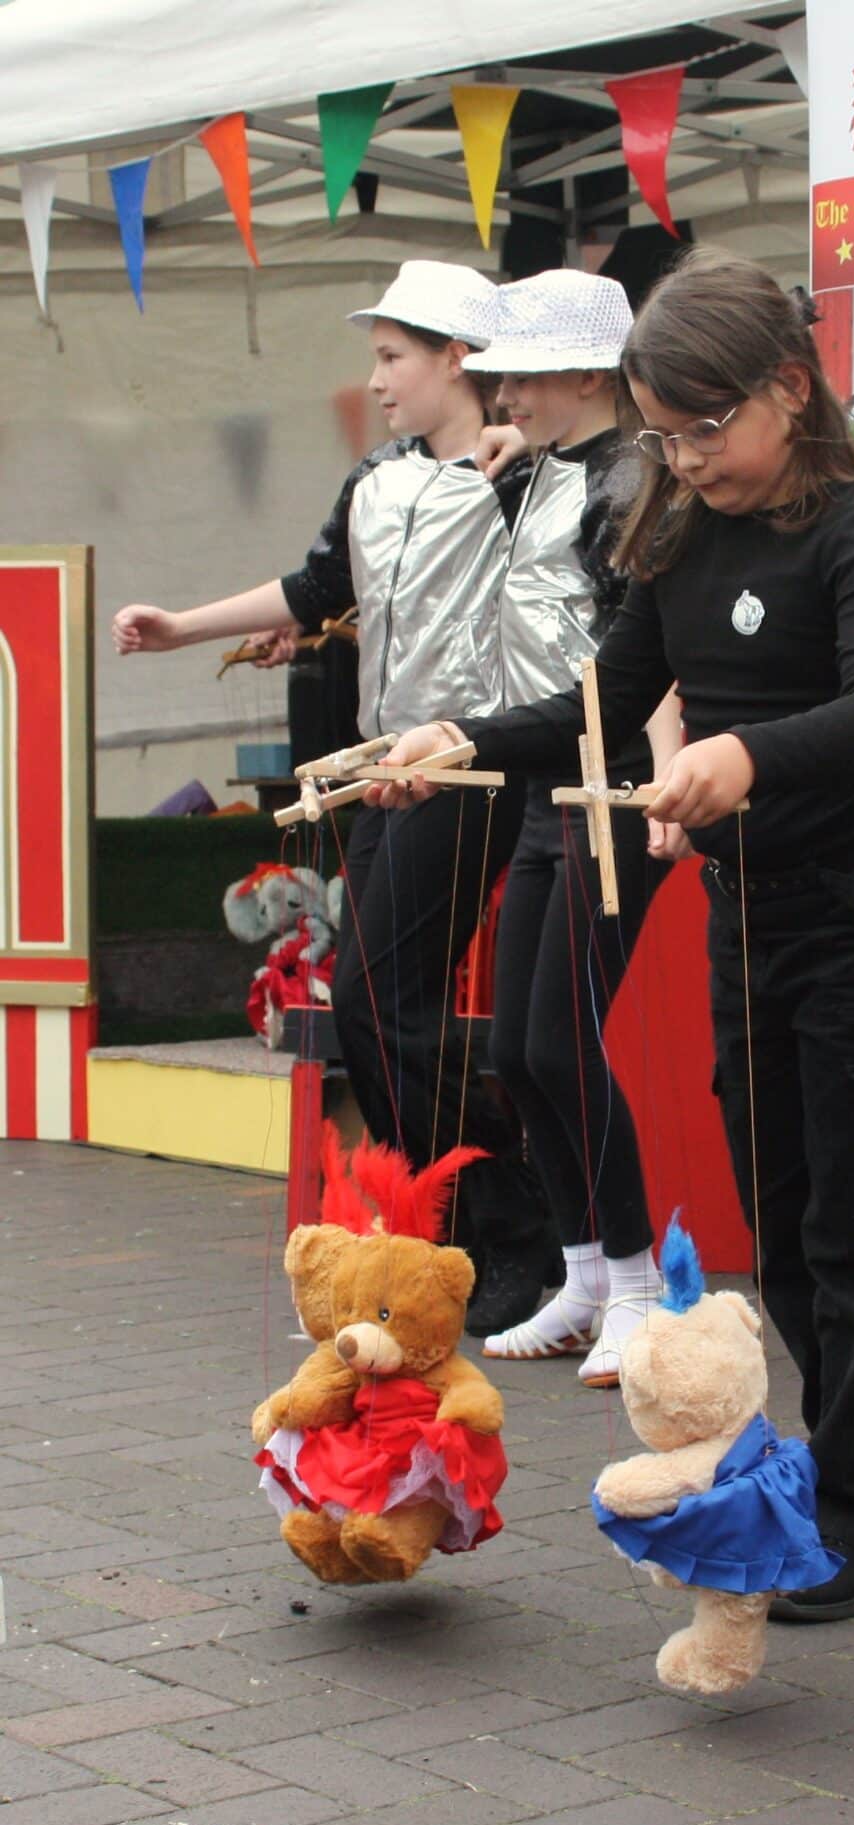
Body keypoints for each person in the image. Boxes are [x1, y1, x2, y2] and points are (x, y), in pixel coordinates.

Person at [368, 247, 854, 1622]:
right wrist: (465, 738)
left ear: (784, 389)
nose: (688, 459)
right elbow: (601, 700)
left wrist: (744, 760)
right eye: (665, 433)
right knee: (788, 1222)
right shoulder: (683, 533)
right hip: (755, 925)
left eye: (707, 427)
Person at [111, 261, 557, 1335]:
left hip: (472, 762)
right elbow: (318, 589)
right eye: (378, 357)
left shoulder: (526, 480)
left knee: (376, 1000)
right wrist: (184, 626)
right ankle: (452, 1217)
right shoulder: (377, 477)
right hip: (378, 769)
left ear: (461, 358)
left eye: (396, 356)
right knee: (374, 1004)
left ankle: (500, 1215)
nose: (380, 377)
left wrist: (524, 451)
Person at [460, 269, 683, 1387]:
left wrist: (668, 783)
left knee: (564, 1041)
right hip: (550, 781)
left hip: (612, 785)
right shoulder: (549, 468)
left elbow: (653, 657)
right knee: (517, 1047)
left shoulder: (635, 475)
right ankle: (587, 1269)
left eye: (524, 376)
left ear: (589, 373)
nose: (503, 397)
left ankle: (637, 1278)